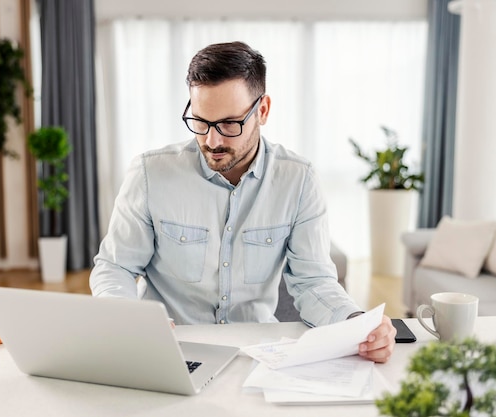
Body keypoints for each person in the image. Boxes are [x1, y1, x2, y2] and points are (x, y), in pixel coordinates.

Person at [90, 41, 396, 363]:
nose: (212, 141)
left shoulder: (299, 180)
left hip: (258, 355)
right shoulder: (150, 174)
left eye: (228, 124)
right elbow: (115, 266)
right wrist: (131, 320)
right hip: (170, 350)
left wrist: (356, 325)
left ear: (262, 111)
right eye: (201, 122)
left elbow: (313, 281)